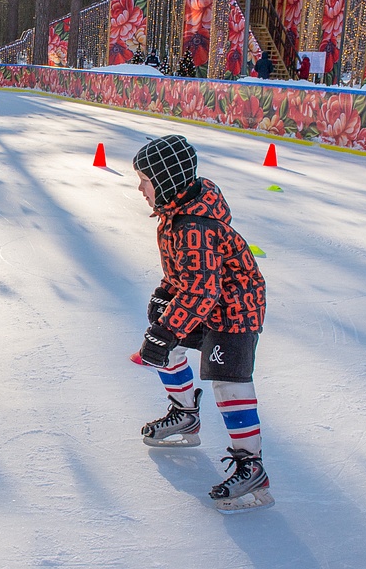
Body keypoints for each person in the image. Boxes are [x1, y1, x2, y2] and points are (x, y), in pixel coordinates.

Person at [132, 135, 272, 514]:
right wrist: (165, 295)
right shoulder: (175, 214)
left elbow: (201, 289)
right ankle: (185, 415)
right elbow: (186, 275)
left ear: (165, 180)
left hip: (235, 308)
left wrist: (166, 329)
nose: (139, 188)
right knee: (166, 348)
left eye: (145, 179)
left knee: (228, 383)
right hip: (205, 300)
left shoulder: (194, 225)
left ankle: (251, 466)